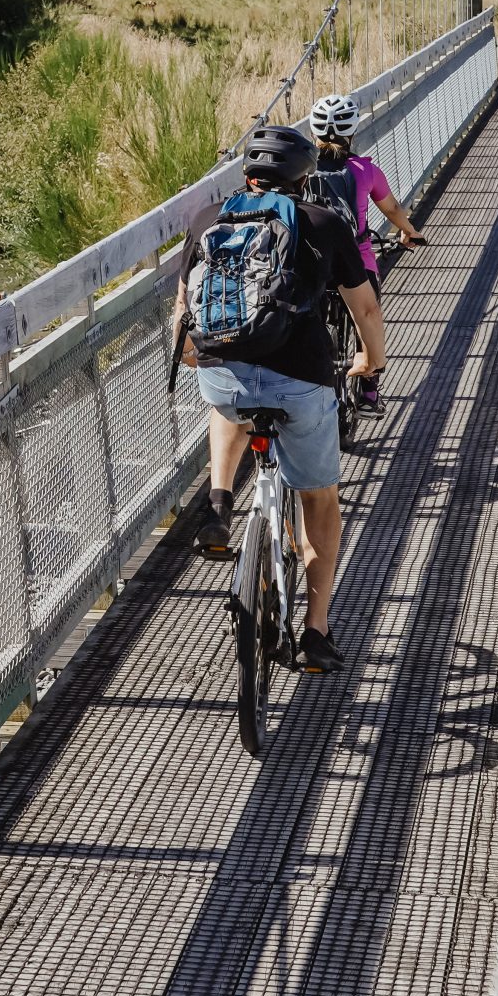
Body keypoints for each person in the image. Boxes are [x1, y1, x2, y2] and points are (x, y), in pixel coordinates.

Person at [172, 123, 387, 674]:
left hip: (221, 371)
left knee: (225, 403)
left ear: (246, 173)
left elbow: (182, 310)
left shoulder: (207, 219)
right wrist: (371, 362)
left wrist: (195, 356)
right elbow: (364, 309)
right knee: (319, 498)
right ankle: (316, 631)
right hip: (301, 380)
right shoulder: (322, 223)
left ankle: (220, 502)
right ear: (304, 176)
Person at [303, 93, 423, 413]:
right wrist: (409, 231)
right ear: (352, 130)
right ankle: (370, 392)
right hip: (355, 256)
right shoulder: (365, 169)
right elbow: (392, 208)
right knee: (369, 311)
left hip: (311, 259)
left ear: (313, 132)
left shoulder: (300, 169)